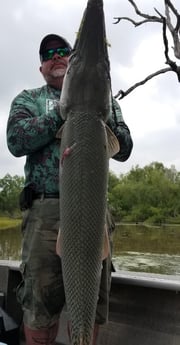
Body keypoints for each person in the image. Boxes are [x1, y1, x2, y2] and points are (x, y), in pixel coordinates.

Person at [6, 34, 133, 345]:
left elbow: (125, 148)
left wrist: (97, 111)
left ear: (73, 62)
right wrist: (64, 112)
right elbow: (16, 140)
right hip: (45, 215)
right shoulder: (28, 99)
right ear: (41, 66)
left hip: (93, 214)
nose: (57, 56)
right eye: (48, 54)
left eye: (64, 51)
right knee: (39, 310)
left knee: (88, 309)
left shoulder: (108, 103)